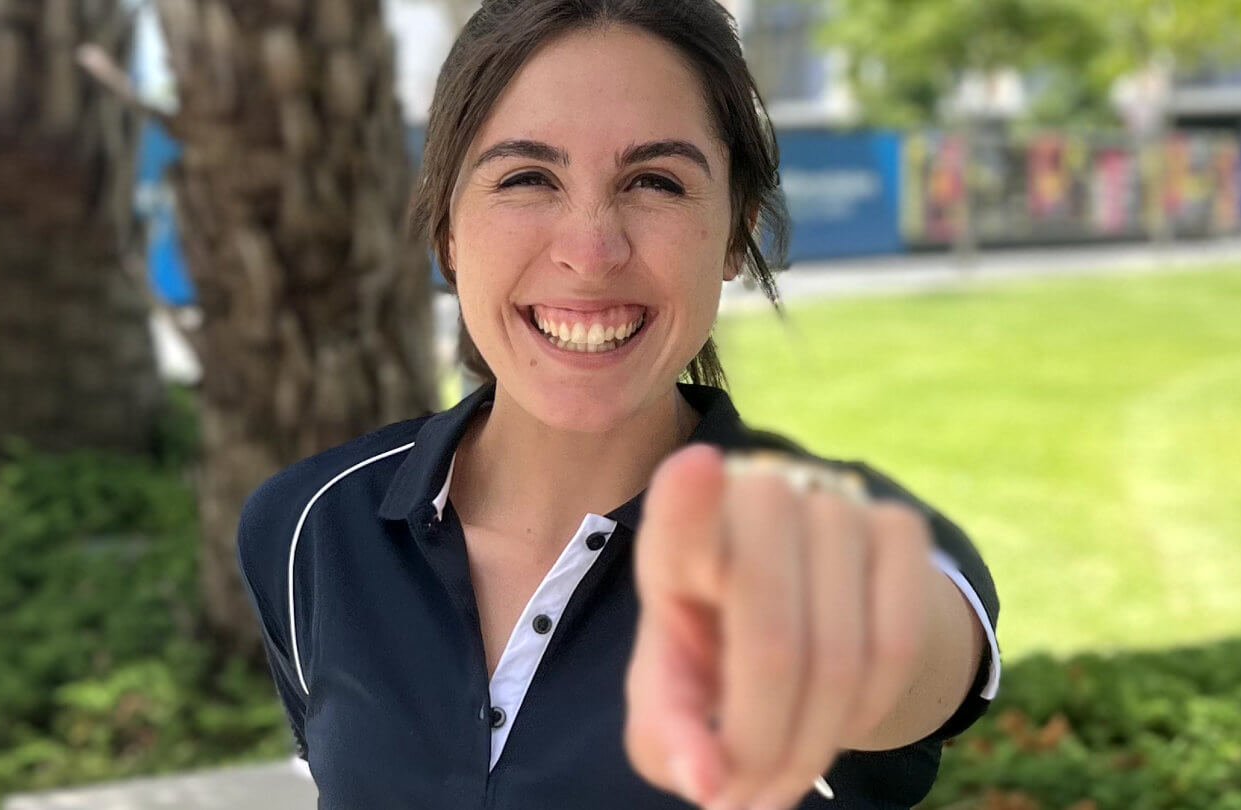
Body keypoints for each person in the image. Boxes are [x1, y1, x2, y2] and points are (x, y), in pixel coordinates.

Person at [234, 1, 1001, 807]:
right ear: (449, 229)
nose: (591, 252)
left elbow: (907, 649)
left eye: (655, 182)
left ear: (736, 232)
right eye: (527, 178)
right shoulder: (307, 527)